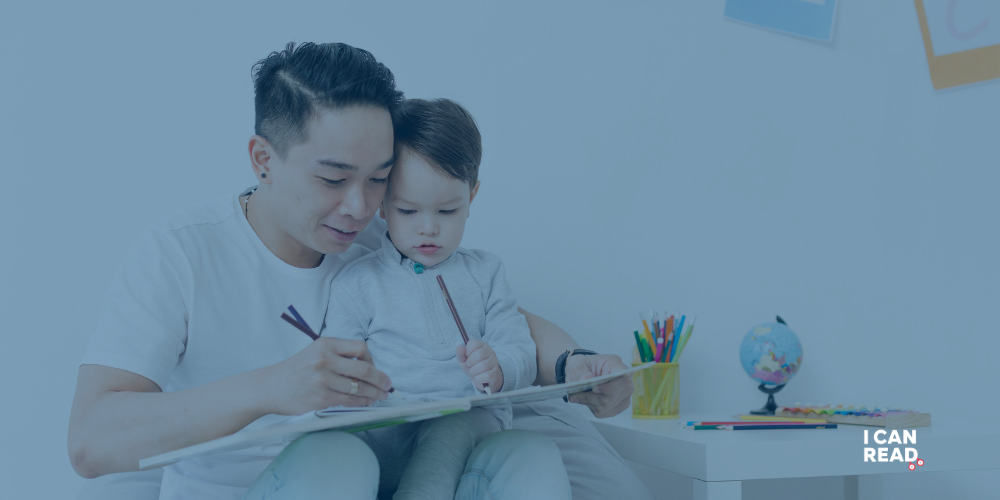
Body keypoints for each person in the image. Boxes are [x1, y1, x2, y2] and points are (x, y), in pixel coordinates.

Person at [69, 42, 654, 500]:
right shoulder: (180, 253)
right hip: (276, 480)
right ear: (263, 159)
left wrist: (577, 368)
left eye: (378, 178)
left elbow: (500, 315)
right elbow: (92, 440)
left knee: (528, 453)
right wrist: (272, 386)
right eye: (333, 178)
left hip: (397, 471)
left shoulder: (382, 233)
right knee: (338, 457)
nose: (359, 205)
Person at [323, 98, 545, 499]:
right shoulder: (357, 282)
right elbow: (335, 364)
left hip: (465, 421)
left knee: (449, 429)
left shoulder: (486, 273)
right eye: (408, 210)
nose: (429, 229)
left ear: (472, 197)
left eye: (447, 210)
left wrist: (498, 368)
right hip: (386, 425)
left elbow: (521, 351)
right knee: (337, 443)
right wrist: (354, 384)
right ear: (383, 205)